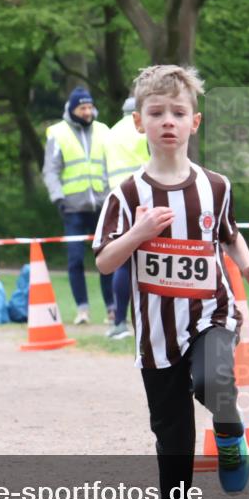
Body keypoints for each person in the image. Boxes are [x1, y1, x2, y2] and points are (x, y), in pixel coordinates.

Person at [93, 65, 249, 499]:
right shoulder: (126, 195)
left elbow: (229, 233)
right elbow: (105, 261)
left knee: (211, 382)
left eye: (178, 112)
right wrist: (138, 234)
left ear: (195, 122)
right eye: (156, 112)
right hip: (155, 335)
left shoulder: (216, 185)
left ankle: (230, 432)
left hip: (212, 311)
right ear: (137, 123)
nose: (168, 120)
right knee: (172, 434)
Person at [42, 86, 113, 325]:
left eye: (89, 106)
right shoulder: (57, 133)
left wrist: (113, 196)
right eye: (82, 107)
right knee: (75, 260)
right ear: (73, 109)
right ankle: (83, 309)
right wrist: (58, 198)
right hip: (72, 208)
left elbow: (112, 164)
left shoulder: (104, 131)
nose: (87, 111)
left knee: (107, 257)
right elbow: (50, 170)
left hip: (103, 206)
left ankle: (111, 309)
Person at [103, 96, 151, 340]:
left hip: (117, 199)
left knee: (122, 259)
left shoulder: (110, 133)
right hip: (144, 197)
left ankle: (119, 320)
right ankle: (148, 320)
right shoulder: (144, 129)